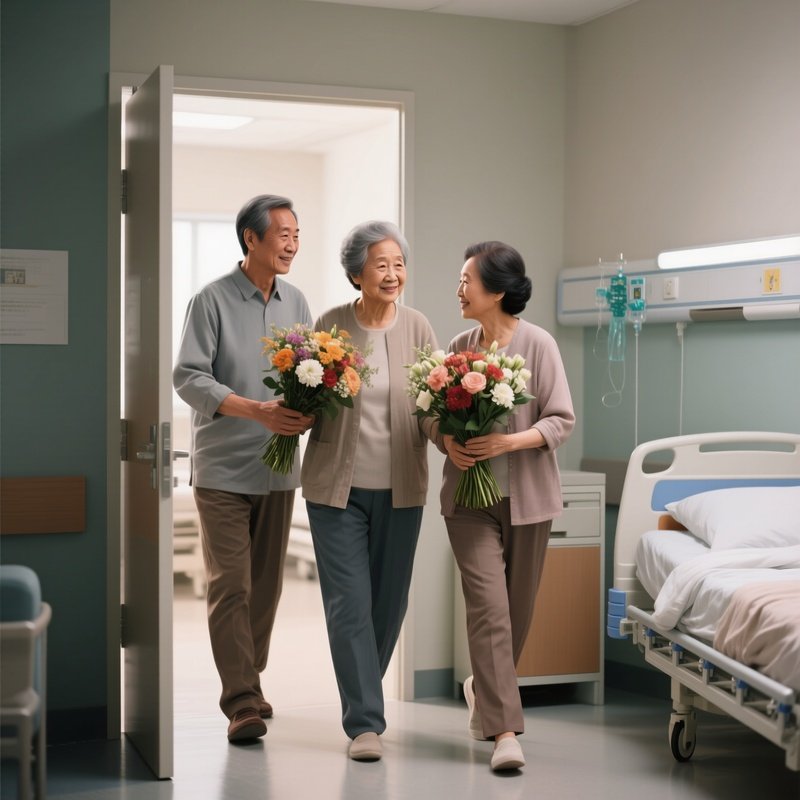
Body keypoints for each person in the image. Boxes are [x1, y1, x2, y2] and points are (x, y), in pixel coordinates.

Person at [173, 194, 314, 742]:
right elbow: (188, 376)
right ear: (250, 239)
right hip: (223, 471)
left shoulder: (296, 301)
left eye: (296, 234)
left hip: (278, 470)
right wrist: (254, 409)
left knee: (265, 586)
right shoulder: (210, 301)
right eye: (282, 233)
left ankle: (248, 682)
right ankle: (241, 702)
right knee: (230, 584)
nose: (291, 243)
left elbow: (307, 371)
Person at [300, 220, 438, 762]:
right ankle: (364, 723)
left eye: (399, 263)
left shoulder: (419, 327)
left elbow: (428, 405)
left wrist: (452, 437)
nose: (392, 273)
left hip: (402, 488)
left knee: (388, 604)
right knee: (348, 603)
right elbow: (312, 394)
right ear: (357, 272)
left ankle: (363, 690)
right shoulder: (331, 324)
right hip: (337, 490)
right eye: (380, 264)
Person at [439, 241, 575, 772]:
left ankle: (483, 688)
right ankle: (505, 733)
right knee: (489, 609)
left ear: (495, 290)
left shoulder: (538, 345)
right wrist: (444, 440)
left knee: (516, 616)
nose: (459, 289)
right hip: (469, 502)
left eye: (466, 280)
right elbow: (434, 416)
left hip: (528, 500)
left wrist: (507, 444)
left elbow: (560, 420)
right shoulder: (458, 346)